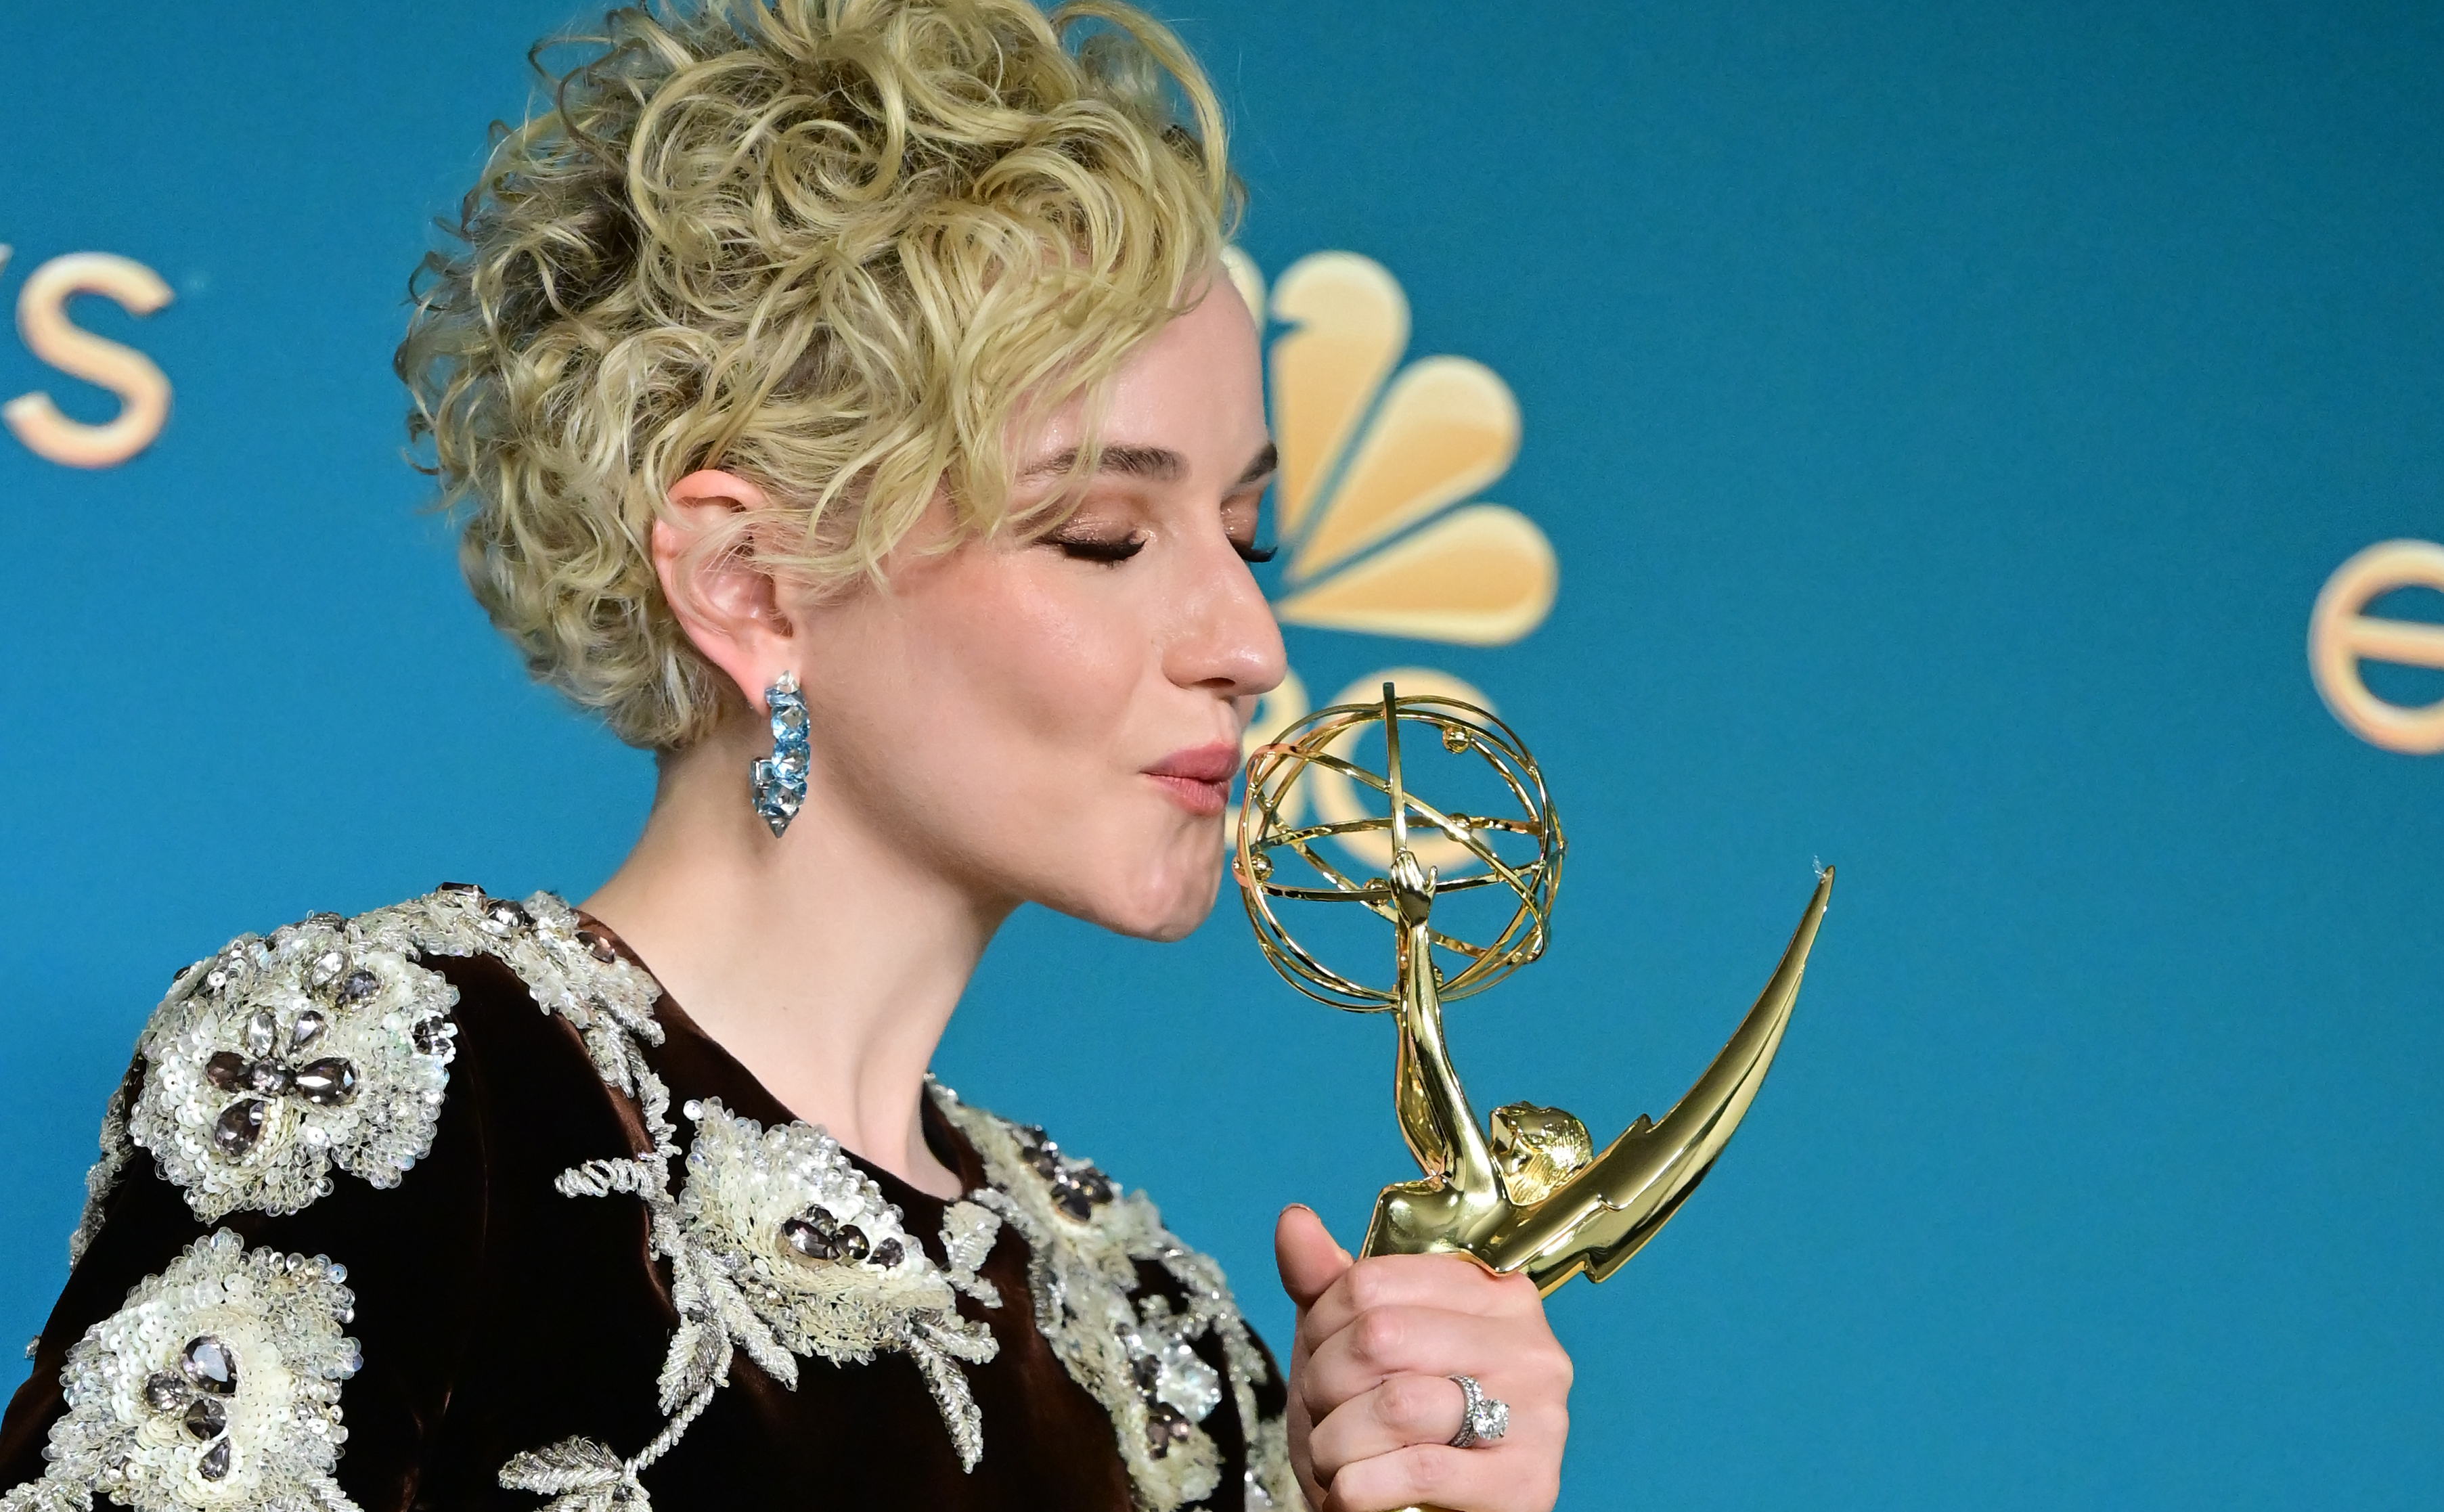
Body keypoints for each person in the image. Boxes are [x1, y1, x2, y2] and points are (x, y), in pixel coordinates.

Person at [0, 2, 1572, 1508]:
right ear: (750, 584)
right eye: (1103, 536)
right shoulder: (419, 1090)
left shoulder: (1159, 1332)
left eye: (1247, 534)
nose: (1247, 639)